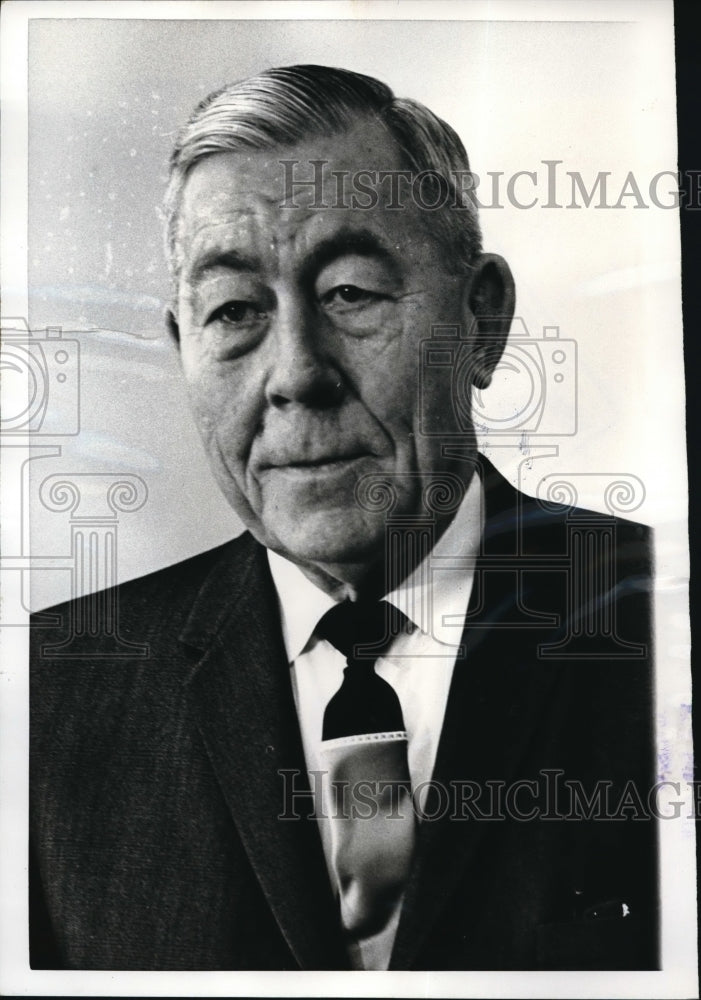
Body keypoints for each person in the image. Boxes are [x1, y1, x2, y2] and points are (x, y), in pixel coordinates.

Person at [29, 64, 657, 972]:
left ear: (480, 321)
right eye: (234, 312)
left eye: (350, 293)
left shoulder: (666, 625)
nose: (295, 375)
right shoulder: (46, 700)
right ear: (182, 351)